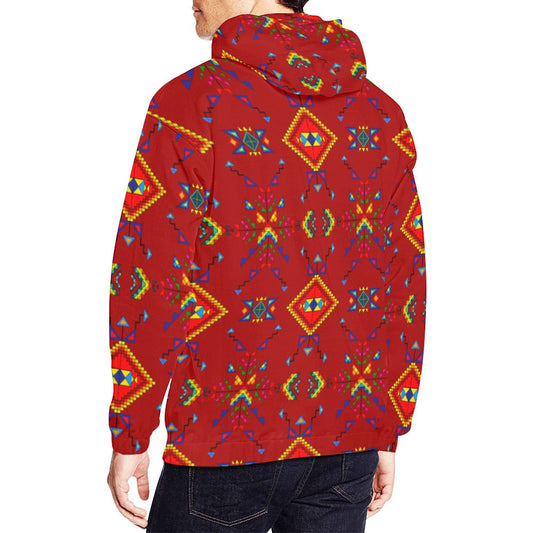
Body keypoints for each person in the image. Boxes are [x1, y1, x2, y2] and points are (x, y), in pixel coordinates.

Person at [106, 0, 426, 531]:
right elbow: (402, 280)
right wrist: (385, 428)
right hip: (347, 445)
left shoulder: (193, 102)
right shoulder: (381, 114)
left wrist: (131, 429)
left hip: (219, 444)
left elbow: (150, 275)